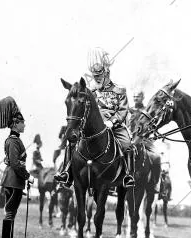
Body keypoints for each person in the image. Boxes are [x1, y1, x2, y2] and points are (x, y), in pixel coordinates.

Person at [55, 47, 135, 187]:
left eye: (99, 75)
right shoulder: (89, 91)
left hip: (113, 126)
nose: (97, 78)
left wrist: (111, 122)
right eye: (95, 75)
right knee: (72, 141)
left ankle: (127, 175)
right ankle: (66, 172)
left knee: (127, 144)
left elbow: (122, 110)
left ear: (106, 73)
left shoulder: (119, 90)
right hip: (92, 127)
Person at [0, 96, 34, 238]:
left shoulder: (14, 140)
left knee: (10, 212)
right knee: (10, 212)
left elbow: (12, 160)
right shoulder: (13, 141)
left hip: (12, 180)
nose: (24, 124)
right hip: (14, 180)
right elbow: (15, 163)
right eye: (22, 122)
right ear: (16, 124)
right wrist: (28, 176)